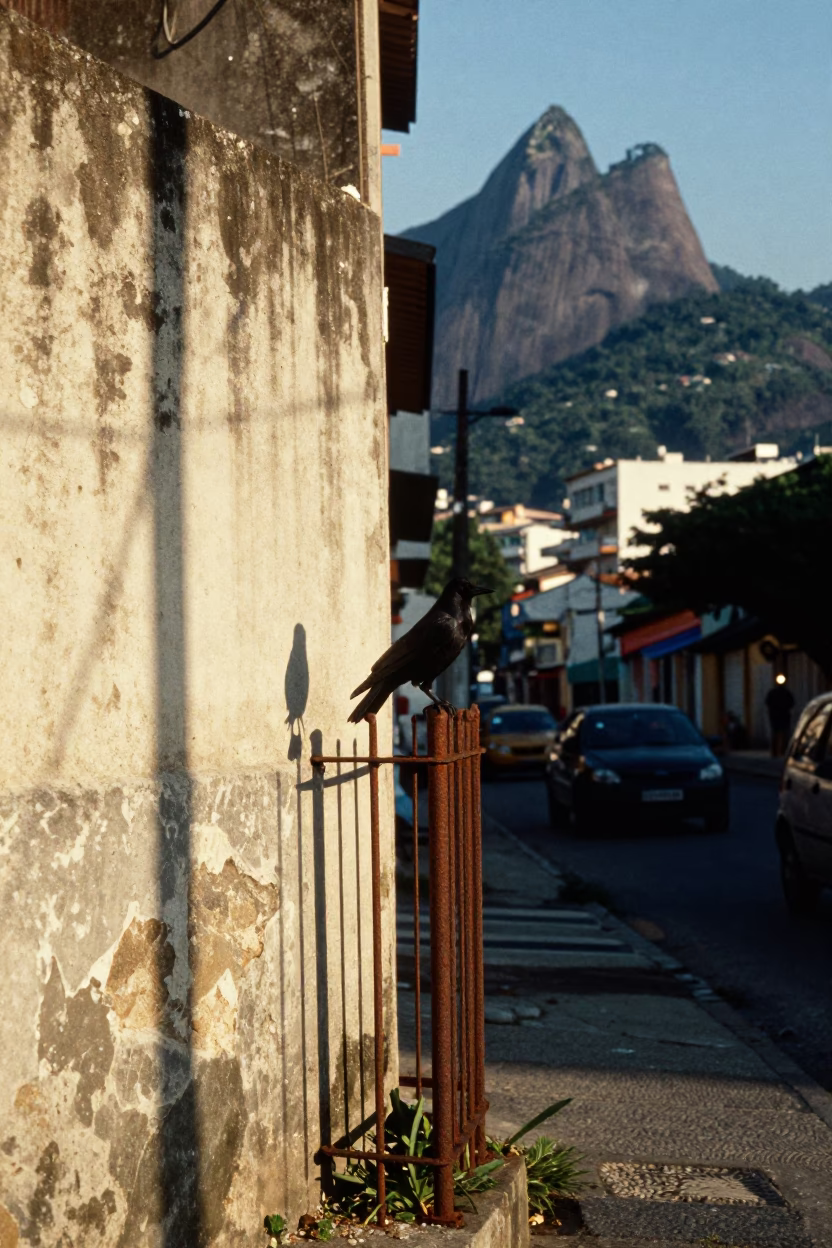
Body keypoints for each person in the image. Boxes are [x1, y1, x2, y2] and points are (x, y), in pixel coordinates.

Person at [765, 675, 795, 758]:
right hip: (776, 716)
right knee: (776, 733)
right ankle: (775, 752)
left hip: (783, 715)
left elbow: (792, 703)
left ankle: (784, 751)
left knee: (785, 733)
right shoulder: (773, 693)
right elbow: (768, 702)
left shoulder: (786, 693)